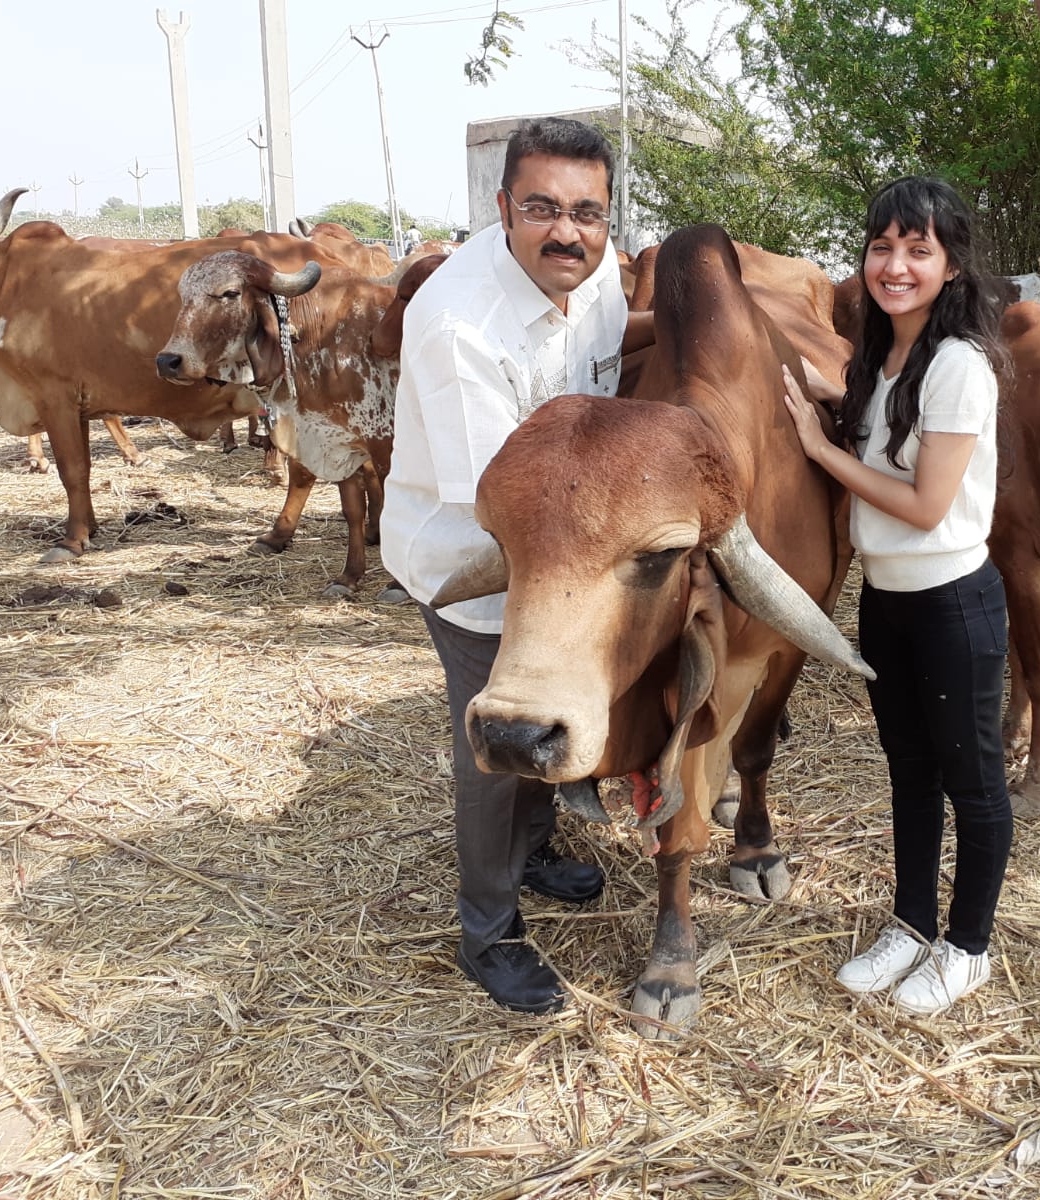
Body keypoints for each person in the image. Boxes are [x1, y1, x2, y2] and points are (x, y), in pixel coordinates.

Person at [381, 117, 652, 1015]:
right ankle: (488, 931)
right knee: (498, 745)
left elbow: (612, 361)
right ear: (501, 209)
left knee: (557, 716)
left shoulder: (600, 272)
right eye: (540, 208)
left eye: (587, 211)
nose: (566, 232)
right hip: (481, 563)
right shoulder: (458, 325)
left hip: (568, 555)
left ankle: (533, 854)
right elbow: (505, 506)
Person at [781, 175, 1012, 1016]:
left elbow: (923, 504)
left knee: (973, 780)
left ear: (950, 266)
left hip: (953, 604)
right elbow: (885, 439)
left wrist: (818, 446)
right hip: (887, 602)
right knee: (909, 773)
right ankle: (912, 924)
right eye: (883, 246)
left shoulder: (959, 365)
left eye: (919, 249)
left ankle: (968, 945)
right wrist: (827, 397)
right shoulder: (883, 359)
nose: (896, 264)